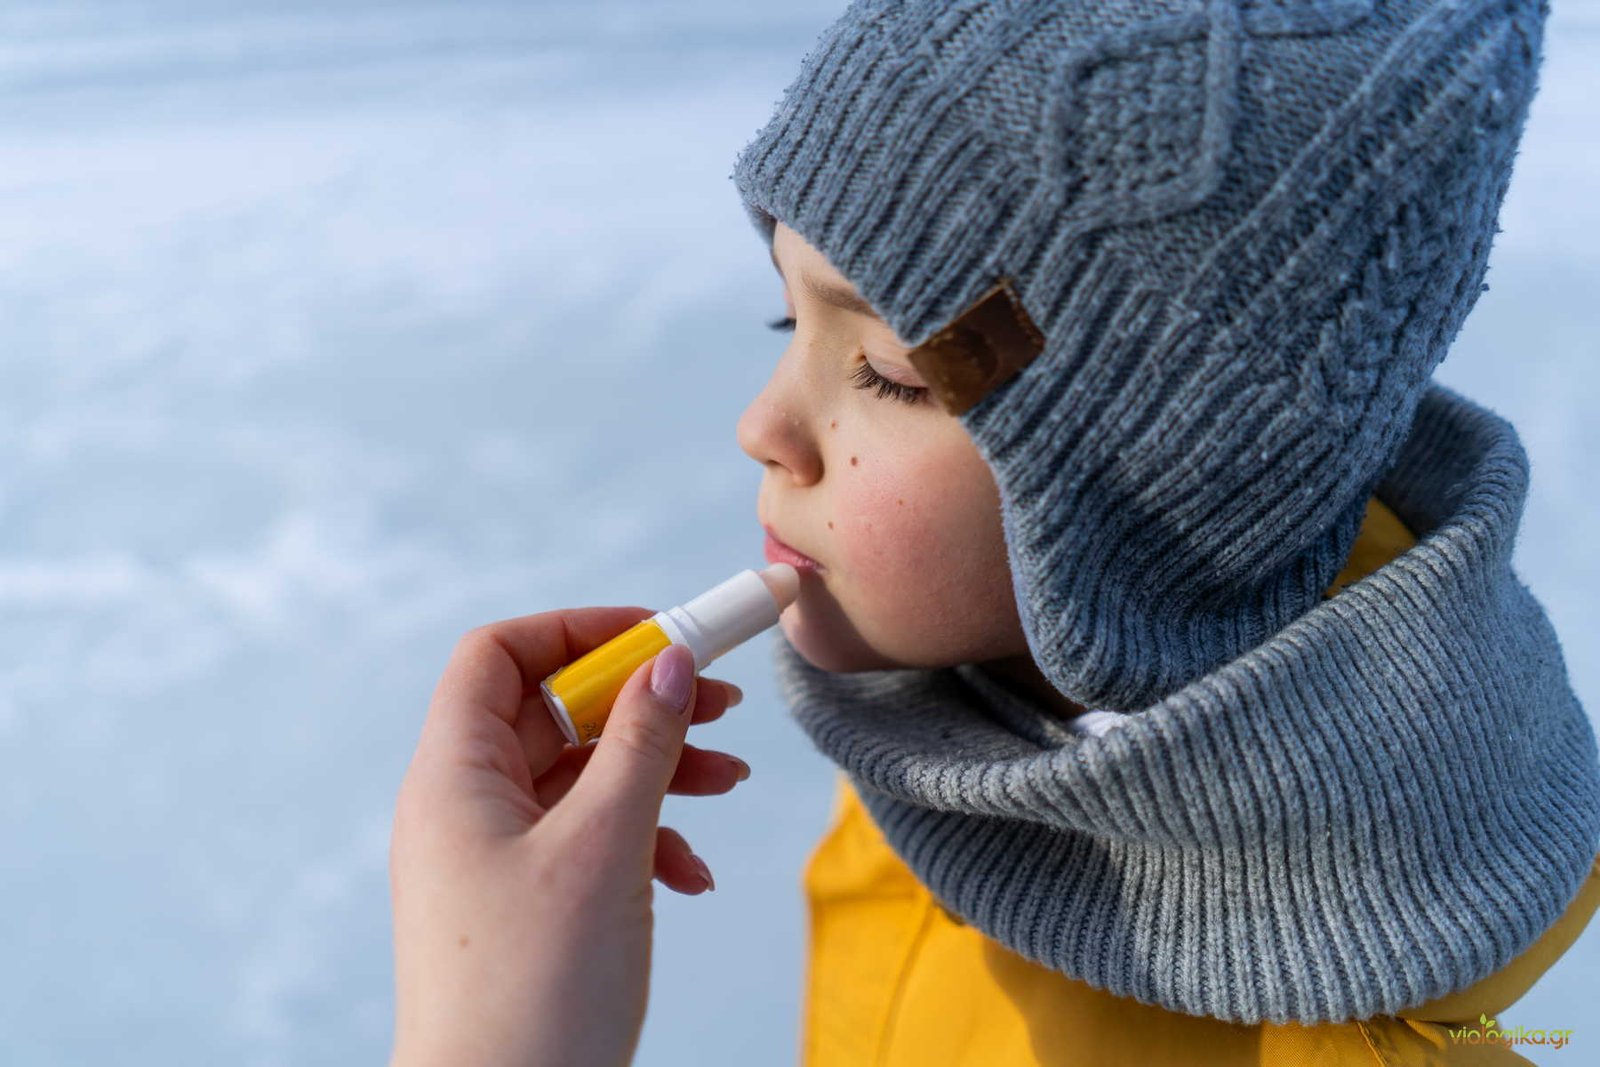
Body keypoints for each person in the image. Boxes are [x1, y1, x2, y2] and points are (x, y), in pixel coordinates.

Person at [391, 0, 1600, 1063]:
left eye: (890, 372)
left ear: (1161, 480)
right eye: (784, 321)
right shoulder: (950, 740)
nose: (763, 427)